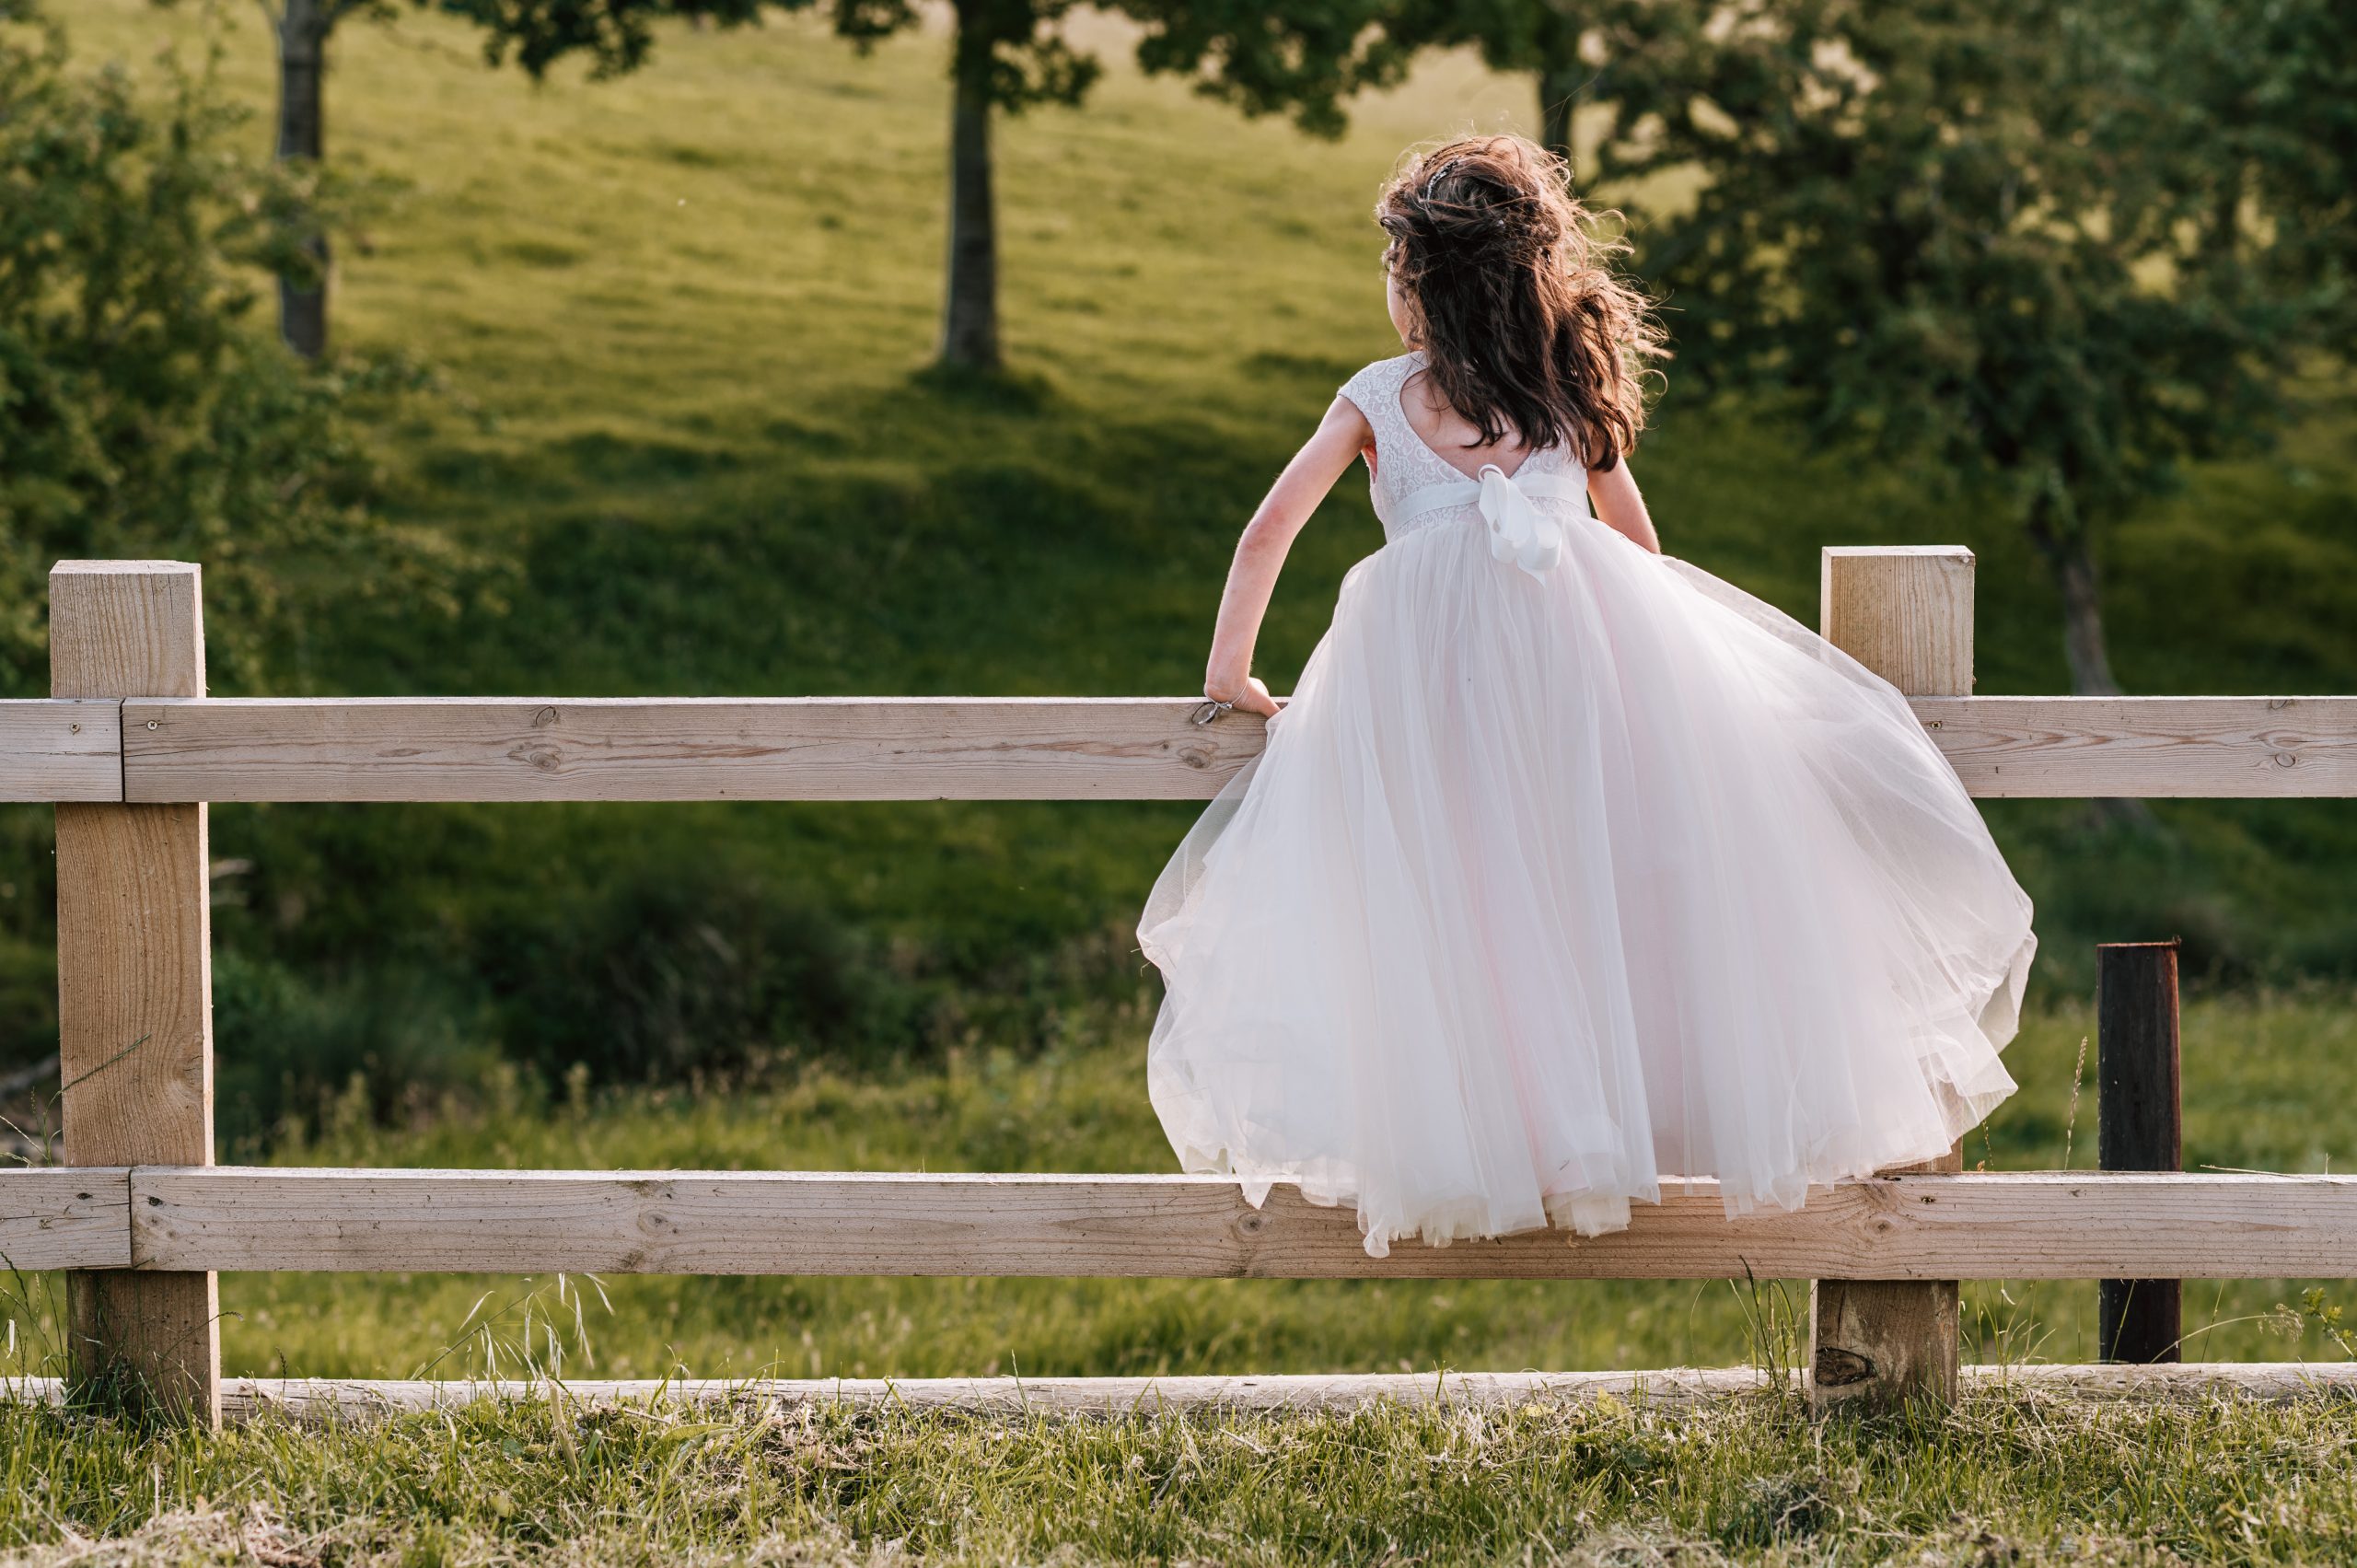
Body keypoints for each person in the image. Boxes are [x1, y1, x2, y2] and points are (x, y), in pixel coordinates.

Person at [1136, 134, 2037, 1260]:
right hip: (1571, 679)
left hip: (1423, 690)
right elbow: (1640, 546)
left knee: (1463, 897)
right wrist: (1661, 656)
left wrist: (1230, 674)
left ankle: (1508, 1127)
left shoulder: (1377, 398)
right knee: (1598, 883)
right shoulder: (1562, 392)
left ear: (1418, 285)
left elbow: (1268, 530)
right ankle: (1612, 1119)